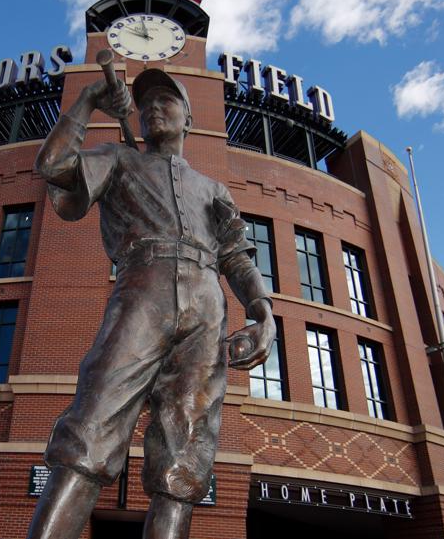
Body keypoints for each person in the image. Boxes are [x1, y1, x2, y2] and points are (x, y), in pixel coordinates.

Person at [29, 67, 276, 539]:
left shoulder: (213, 190)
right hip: (144, 289)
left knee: (185, 452)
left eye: (167, 101)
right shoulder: (118, 160)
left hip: (207, 306)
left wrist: (262, 310)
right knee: (92, 426)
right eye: (145, 106)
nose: (153, 109)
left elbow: (236, 257)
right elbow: (55, 166)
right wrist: (87, 101)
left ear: (189, 118)